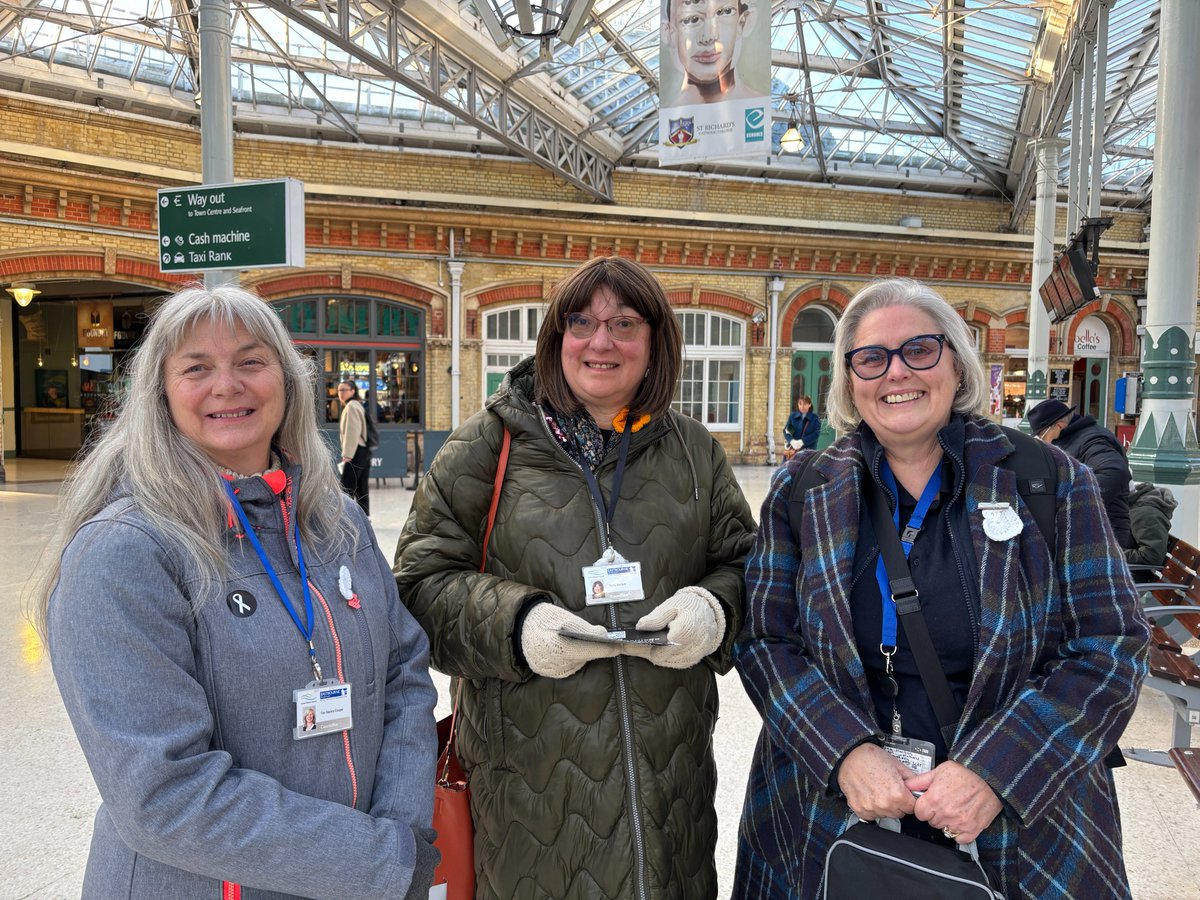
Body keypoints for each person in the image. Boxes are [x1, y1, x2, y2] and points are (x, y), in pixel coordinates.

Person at [732, 278, 1149, 898]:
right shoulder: (804, 489)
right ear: (850, 380)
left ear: (956, 362)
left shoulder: (1048, 479)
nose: (896, 372)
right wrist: (845, 753)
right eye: (871, 357)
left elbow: (1111, 644)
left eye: (919, 350)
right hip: (832, 809)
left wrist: (997, 771)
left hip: (1020, 826)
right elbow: (766, 639)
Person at [33, 285, 439, 900]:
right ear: (161, 395)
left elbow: (404, 674)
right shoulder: (124, 553)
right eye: (196, 368)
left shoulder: (336, 523)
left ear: (288, 381)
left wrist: (399, 837)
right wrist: (374, 861)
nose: (227, 385)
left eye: (251, 361)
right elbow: (164, 794)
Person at [394, 256, 756, 900]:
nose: (602, 341)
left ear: (655, 343)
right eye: (581, 322)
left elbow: (746, 568)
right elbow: (418, 587)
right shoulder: (486, 446)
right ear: (556, 337)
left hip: (669, 787)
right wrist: (516, 625)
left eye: (625, 324)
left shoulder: (695, 452)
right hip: (529, 790)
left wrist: (715, 609)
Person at [1027, 398, 1132, 547]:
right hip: (1089, 528)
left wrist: (1075, 504)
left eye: (1043, 434)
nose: (1043, 440)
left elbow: (1115, 472)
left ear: (1059, 425)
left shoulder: (1093, 439)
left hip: (1103, 531)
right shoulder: (1070, 438)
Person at [663, 0, 759, 105]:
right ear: (669, 34)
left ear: (743, 23)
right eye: (692, 20)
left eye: (725, 12)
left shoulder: (758, 105)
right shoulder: (757, 109)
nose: (709, 37)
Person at [338, 379, 371, 515]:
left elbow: (353, 432)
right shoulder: (357, 405)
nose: (341, 393)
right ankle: (364, 515)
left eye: (344, 390)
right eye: (339, 390)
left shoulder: (351, 406)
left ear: (353, 391)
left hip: (355, 451)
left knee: (347, 486)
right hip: (363, 450)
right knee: (361, 487)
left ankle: (345, 516)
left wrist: (347, 455)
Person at [1125, 481, 1177, 568]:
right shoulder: (1125, 507)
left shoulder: (1146, 514)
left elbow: (1151, 556)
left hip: (1129, 575)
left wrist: (1112, 555)